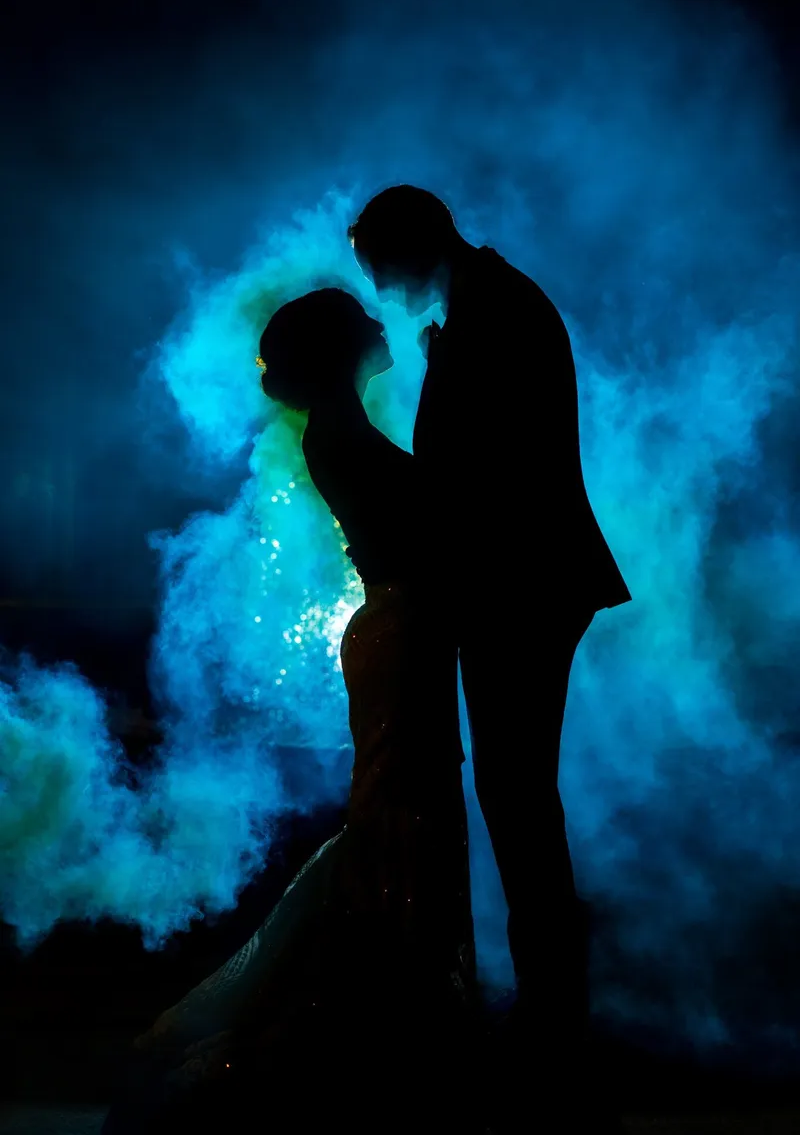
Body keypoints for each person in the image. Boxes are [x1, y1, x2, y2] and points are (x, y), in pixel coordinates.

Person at [102, 288, 479, 1135]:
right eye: (363, 323)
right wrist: (449, 394)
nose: (380, 327)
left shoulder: (339, 427)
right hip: (401, 633)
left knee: (402, 809)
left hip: (401, 630)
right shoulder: (338, 433)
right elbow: (435, 510)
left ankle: (392, 1020)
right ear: (340, 349)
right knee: (403, 811)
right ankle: (373, 1029)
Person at [348, 185, 632, 1126]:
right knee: (517, 796)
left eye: (380, 268)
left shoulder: (495, 313)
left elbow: (479, 477)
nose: (382, 291)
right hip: (520, 586)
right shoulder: (489, 302)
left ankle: (553, 1021)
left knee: (517, 797)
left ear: (410, 247)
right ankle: (550, 1011)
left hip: (520, 587)